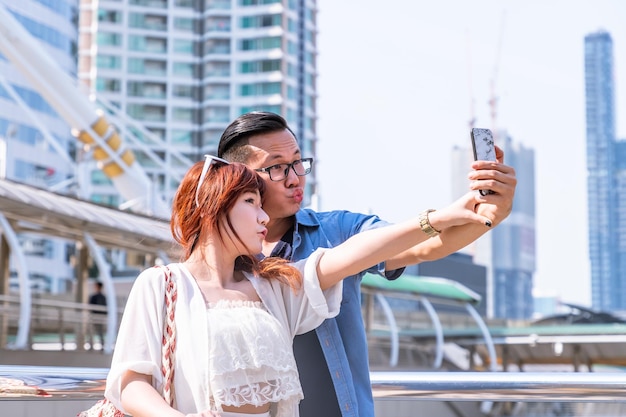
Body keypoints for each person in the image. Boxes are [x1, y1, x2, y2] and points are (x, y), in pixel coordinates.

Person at [103, 156, 494, 417]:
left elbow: (354, 252)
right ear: (213, 206)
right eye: (252, 203)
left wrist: (438, 217)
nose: (263, 216)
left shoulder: (273, 289)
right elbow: (131, 384)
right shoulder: (161, 284)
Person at [217, 111, 517, 417]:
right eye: (277, 168)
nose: (295, 178)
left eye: (297, 162)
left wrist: (492, 212)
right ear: (238, 176)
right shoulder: (219, 259)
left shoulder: (335, 231)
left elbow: (420, 246)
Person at [88, 281, 107, 350]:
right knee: (95, 331)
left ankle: (99, 345)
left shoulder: (98, 297)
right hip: (97, 317)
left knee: (97, 331)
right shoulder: (101, 297)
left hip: (97, 317)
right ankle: (93, 345)